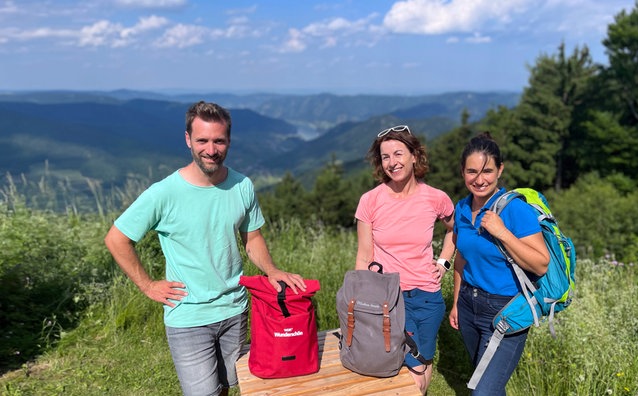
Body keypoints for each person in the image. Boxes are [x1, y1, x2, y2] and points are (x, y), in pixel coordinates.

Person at [104, 101, 306, 396]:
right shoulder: (164, 193)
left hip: (235, 308)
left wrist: (272, 270)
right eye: (202, 140)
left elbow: (253, 238)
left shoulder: (242, 186)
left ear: (228, 141)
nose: (211, 150)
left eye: (218, 141)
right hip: (188, 316)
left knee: (230, 385)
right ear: (188, 139)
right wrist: (147, 286)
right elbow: (116, 238)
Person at [354, 124, 455, 394]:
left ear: (414, 155)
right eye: (385, 157)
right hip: (389, 299)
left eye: (398, 154)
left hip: (428, 297)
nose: (392, 162)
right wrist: (361, 303)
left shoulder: (436, 198)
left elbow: (456, 229)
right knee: (410, 372)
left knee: (424, 360)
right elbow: (364, 255)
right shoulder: (370, 201)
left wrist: (444, 262)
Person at [448, 132, 549, 395]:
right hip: (469, 305)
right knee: (489, 385)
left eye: (487, 171)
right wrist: (457, 301)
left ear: (500, 170)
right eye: (472, 171)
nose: (479, 180)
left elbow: (540, 264)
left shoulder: (515, 210)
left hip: (504, 311)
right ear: (462, 172)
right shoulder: (461, 208)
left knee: (483, 391)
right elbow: (462, 256)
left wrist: (502, 232)